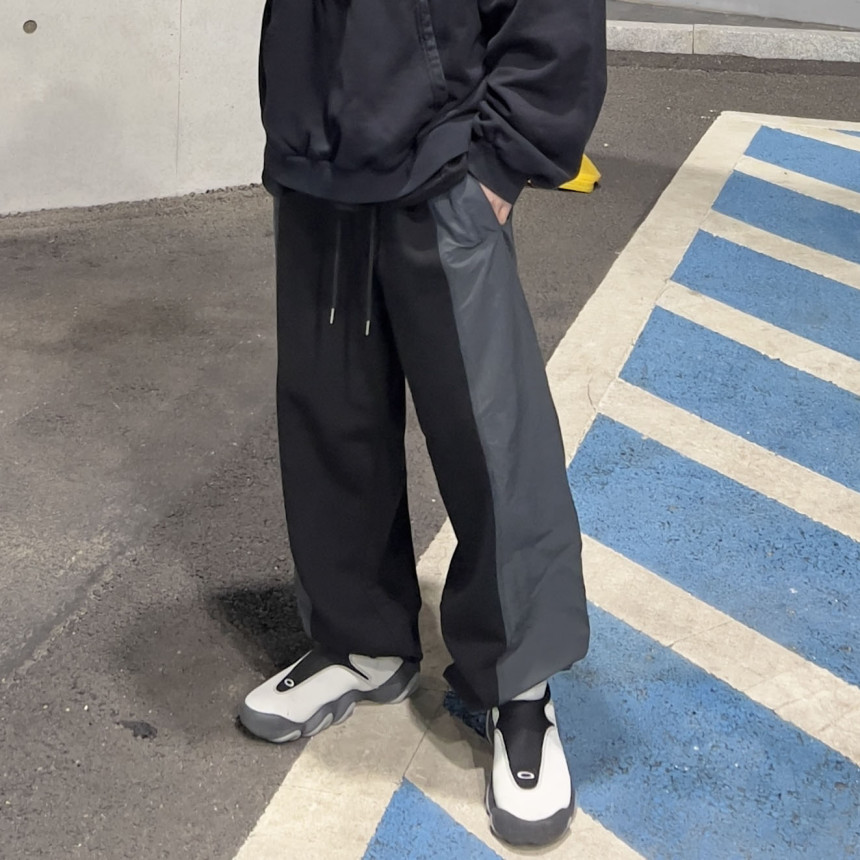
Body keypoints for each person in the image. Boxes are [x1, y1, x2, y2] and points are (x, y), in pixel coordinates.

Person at [239, 0, 607, 847]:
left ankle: (519, 686)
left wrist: (505, 160)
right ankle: (359, 640)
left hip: (445, 163)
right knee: (330, 420)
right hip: (316, 158)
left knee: (492, 443)